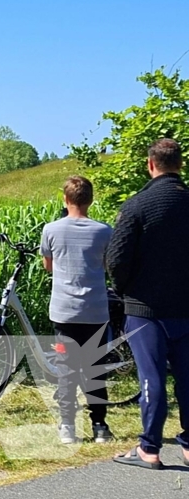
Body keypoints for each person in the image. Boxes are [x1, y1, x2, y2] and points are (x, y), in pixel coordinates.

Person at [108, 138, 189, 470]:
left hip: (145, 309)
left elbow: (115, 258)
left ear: (151, 165)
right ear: (180, 165)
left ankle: (149, 448)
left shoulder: (137, 206)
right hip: (186, 308)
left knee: (152, 376)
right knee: (187, 377)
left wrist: (124, 289)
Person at [39, 176, 113, 444]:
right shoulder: (105, 231)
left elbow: (49, 266)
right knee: (96, 369)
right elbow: (107, 265)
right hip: (95, 311)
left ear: (65, 199)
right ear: (90, 200)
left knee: (66, 369)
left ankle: (68, 426)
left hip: (64, 312)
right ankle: (100, 426)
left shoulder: (51, 230)